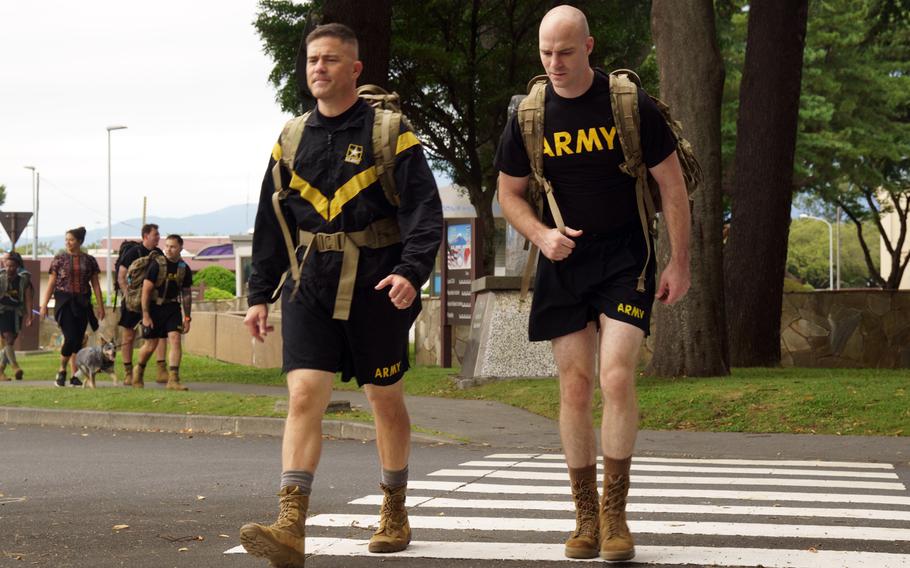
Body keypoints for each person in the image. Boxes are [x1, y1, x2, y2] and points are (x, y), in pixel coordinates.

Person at [239, 23, 442, 568]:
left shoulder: (391, 133)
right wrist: (259, 294)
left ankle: (394, 507)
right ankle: (290, 526)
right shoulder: (290, 138)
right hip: (309, 284)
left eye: (330, 60)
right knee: (305, 394)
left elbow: (425, 214)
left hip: (378, 282)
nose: (318, 69)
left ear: (355, 69)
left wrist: (410, 272)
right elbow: (270, 221)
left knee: (385, 398)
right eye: (312, 60)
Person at [495, 5, 691, 562]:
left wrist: (680, 263)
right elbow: (509, 193)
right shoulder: (530, 116)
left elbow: (672, 187)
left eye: (564, 51)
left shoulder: (630, 106)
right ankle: (584, 514)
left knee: (617, 377)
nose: (554, 63)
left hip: (626, 256)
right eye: (545, 52)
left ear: (589, 47)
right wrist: (541, 234)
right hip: (563, 261)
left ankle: (615, 515)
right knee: (575, 385)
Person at [40, 227, 106, 387]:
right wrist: (44, 305)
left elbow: (96, 284)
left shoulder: (90, 260)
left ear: (80, 241)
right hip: (64, 303)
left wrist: (100, 305)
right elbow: (51, 283)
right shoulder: (59, 259)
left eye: (71, 239)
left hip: (83, 303)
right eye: (66, 239)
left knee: (78, 341)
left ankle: (75, 375)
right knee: (70, 338)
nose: (68, 242)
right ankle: (61, 370)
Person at [132, 234, 192, 391]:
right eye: (167, 246)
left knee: (175, 339)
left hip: (172, 308)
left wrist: (187, 317)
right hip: (154, 308)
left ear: (180, 248)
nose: (168, 249)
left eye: (173, 246)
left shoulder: (184, 268)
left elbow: (186, 294)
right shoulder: (157, 264)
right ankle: (138, 370)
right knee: (151, 344)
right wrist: (145, 315)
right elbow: (146, 290)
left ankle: (173, 379)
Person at [116, 223, 168, 385]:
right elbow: (121, 276)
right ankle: (128, 372)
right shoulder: (133, 252)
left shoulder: (158, 254)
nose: (158, 237)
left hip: (152, 300)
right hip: (132, 300)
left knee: (159, 334)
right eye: (155, 234)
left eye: (158, 234)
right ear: (146, 236)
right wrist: (128, 295)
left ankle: (161, 370)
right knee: (128, 335)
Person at [0, 252, 34, 381]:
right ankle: (15, 367)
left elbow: (28, 298)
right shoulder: (1, 277)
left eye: (12, 266)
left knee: (11, 341)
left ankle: (1, 371)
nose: (9, 268)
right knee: (8, 338)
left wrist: (30, 315)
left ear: (17, 266)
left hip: (16, 312)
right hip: (2, 311)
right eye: (7, 266)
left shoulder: (24, 279)